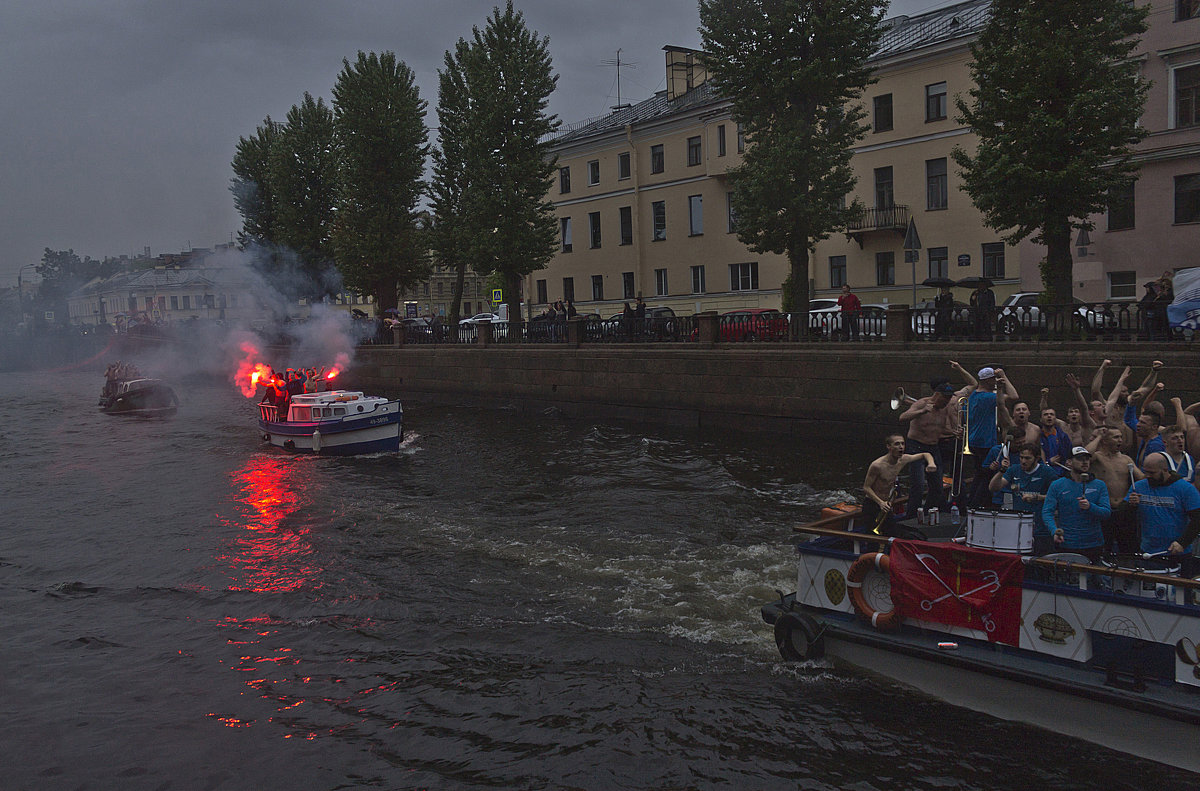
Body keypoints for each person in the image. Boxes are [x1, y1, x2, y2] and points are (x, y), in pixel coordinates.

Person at [1125, 453, 1200, 576]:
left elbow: (1197, 519)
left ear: (1165, 470)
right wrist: (1131, 505)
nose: (1147, 476)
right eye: (1146, 472)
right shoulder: (1138, 487)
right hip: (1148, 551)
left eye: (1152, 473)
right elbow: (1124, 518)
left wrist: (1183, 542)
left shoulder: (1185, 489)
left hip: (1177, 552)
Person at [1042, 446, 1112, 562]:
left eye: (1087, 459)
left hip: (1093, 543)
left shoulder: (1099, 485)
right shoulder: (1057, 485)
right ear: (1069, 462)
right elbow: (1047, 512)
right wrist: (1054, 530)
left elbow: (1106, 513)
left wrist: (1090, 507)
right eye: (1079, 459)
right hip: (1067, 543)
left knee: (1093, 578)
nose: (1084, 462)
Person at [990, 442, 1060, 555]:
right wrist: (1001, 470)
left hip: (1041, 529)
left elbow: (1058, 497)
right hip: (1019, 528)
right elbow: (993, 487)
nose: (1023, 461)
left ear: (1037, 458)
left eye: (1027, 458)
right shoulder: (1014, 470)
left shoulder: (1047, 472)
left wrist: (1037, 497)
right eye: (1021, 457)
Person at [899, 382, 956, 516]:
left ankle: (926, 512)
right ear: (937, 395)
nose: (947, 401)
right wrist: (922, 411)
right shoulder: (921, 403)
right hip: (916, 446)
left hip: (933, 447)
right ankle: (911, 516)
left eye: (949, 398)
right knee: (918, 485)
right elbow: (902, 417)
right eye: (945, 397)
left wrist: (955, 432)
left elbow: (944, 427)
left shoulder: (945, 408)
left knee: (937, 487)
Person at [861, 435, 935, 539]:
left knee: (893, 534)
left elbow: (925, 454)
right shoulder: (877, 465)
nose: (901, 447)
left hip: (886, 505)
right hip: (873, 504)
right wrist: (880, 503)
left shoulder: (903, 459)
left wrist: (931, 464)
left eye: (903, 444)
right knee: (873, 538)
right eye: (897, 444)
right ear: (888, 446)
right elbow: (866, 488)